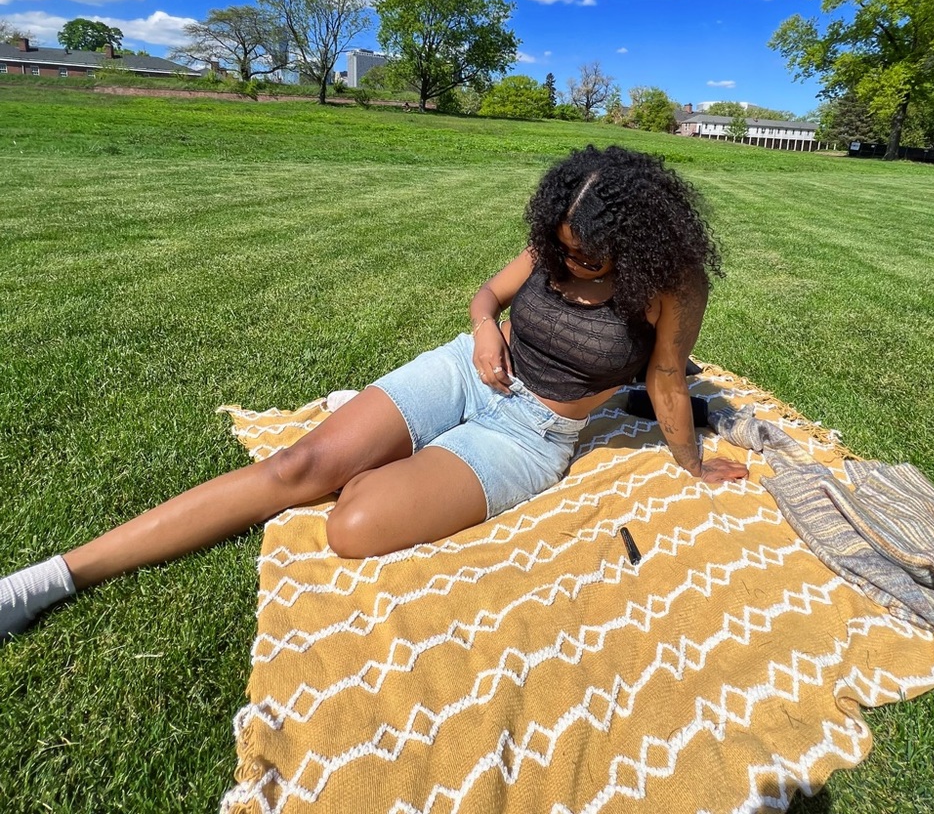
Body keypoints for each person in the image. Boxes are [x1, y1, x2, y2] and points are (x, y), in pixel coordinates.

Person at [0, 145, 748, 639]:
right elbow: (489, 295)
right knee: (294, 471)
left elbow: (665, 378)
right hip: (466, 369)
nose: (567, 259)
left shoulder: (672, 284)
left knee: (350, 525)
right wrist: (487, 329)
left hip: (531, 435)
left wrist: (693, 463)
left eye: (586, 255)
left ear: (639, 241)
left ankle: (391, 440)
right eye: (560, 246)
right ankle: (46, 581)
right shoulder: (554, 243)